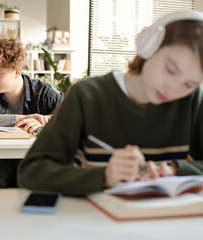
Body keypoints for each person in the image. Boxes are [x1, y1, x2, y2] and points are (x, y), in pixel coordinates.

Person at [18, 10, 203, 195]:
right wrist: (105, 176)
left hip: (167, 219)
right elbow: (31, 172)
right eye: (170, 69)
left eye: (189, 84)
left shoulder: (192, 99)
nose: (173, 89)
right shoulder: (87, 95)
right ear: (149, 46)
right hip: (92, 219)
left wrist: (175, 169)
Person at [0, 37, 62, 188]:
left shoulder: (43, 93)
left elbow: (70, 118)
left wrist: (46, 120)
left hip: (33, 159)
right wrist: (23, 119)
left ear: (17, 71)